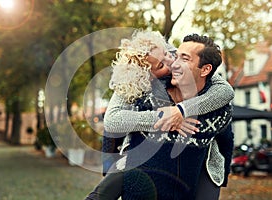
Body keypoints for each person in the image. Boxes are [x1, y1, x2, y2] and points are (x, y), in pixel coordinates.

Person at [85, 30, 233, 200]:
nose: (172, 62)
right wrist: (165, 118)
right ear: (148, 77)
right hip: (135, 155)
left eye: (171, 55)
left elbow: (226, 91)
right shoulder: (137, 86)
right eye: (161, 66)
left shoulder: (170, 55)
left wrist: (182, 110)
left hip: (198, 162)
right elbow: (113, 122)